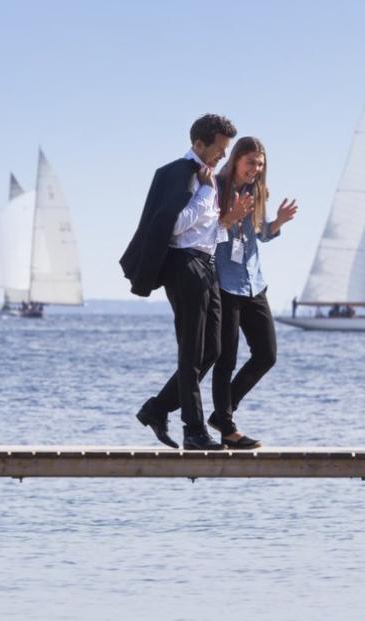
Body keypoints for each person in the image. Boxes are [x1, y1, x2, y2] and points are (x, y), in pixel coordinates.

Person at [119, 114, 248, 450]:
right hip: (184, 266)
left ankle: (157, 408)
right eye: (218, 150)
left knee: (213, 350)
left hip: (206, 264)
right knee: (191, 352)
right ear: (198, 144)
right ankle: (193, 430)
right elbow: (174, 227)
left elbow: (203, 231)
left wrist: (226, 224)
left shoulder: (206, 178)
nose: (222, 156)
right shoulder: (181, 174)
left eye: (225, 151)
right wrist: (206, 192)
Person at [208, 137, 299, 449]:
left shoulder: (258, 190)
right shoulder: (216, 188)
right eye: (251, 163)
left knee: (266, 354)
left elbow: (260, 234)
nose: (256, 170)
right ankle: (227, 426)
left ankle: (223, 412)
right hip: (224, 282)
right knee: (226, 357)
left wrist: (278, 223)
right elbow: (208, 231)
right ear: (236, 160)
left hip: (253, 281)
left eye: (260, 165)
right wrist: (230, 217)